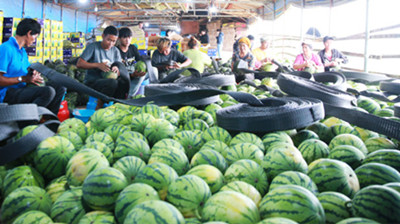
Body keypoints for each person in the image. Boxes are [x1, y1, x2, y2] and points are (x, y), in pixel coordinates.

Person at [0, 18, 65, 115]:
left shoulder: (23, 51)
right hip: (7, 93)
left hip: (22, 88)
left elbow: (25, 71)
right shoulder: (6, 48)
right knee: (48, 92)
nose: (34, 41)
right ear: (29, 33)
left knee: (60, 87)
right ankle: (28, 122)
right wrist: (23, 79)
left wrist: (33, 74)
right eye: (35, 37)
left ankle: (48, 120)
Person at [77, 26, 128, 109]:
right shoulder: (93, 47)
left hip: (108, 82)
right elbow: (79, 64)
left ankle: (116, 106)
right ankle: (99, 106)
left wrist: (116, 69)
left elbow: (119, 67)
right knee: (112, 83)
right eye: (108, 40)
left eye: (113, 41)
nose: (110, 44)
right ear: (103, 36)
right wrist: (97, 65)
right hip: (92, 82)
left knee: (123, 83)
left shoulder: (115, 51)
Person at [116, 27, 146, 97]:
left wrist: (142, 69)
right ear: (119, 38)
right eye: (124, 38)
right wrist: (132, 75)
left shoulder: (133, 48)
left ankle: (129, 95)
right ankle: (128, 96)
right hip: (122, 74)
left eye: (129, 38)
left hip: (133, 72)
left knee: (144, 75)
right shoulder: (116, 50)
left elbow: (139, 60)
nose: (127, 40)